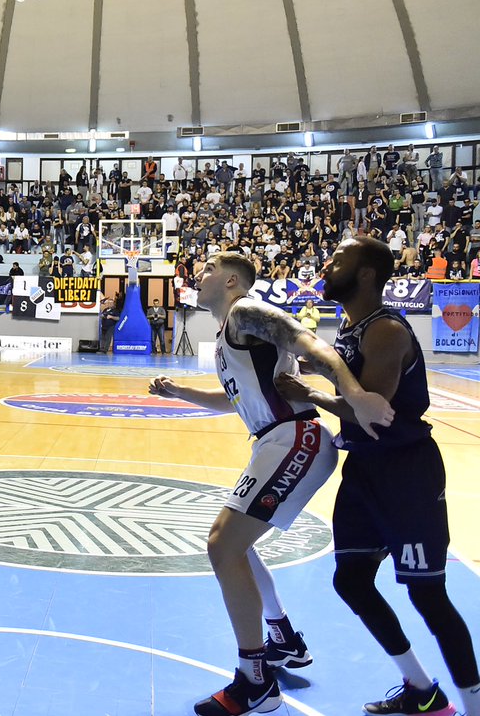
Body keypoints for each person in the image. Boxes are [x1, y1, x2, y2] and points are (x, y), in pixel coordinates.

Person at [150, 251, 394, 716]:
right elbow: (232, 400)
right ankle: (282, 639)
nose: (199, 274)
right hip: (277, 440)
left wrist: (356, 396)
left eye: (208, 270)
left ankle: (254, 679)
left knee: (223, 545)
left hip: (295, 436)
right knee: (237, 546)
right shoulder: (229, 334)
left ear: (231, 282)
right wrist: (180, 392)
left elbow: (309, 344)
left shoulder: (246, 310)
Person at [277, 237, 480, 716]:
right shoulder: (353, 325)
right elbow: (350, 374)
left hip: (405, 473)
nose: (326, 264)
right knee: (351, 580)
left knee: (428, 595)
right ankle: (421, 690)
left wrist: (311, 392)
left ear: (366, 273)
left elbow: (375, 412)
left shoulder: (386, 330)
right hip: (365, 470)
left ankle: (472, 705)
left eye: (337, 259)